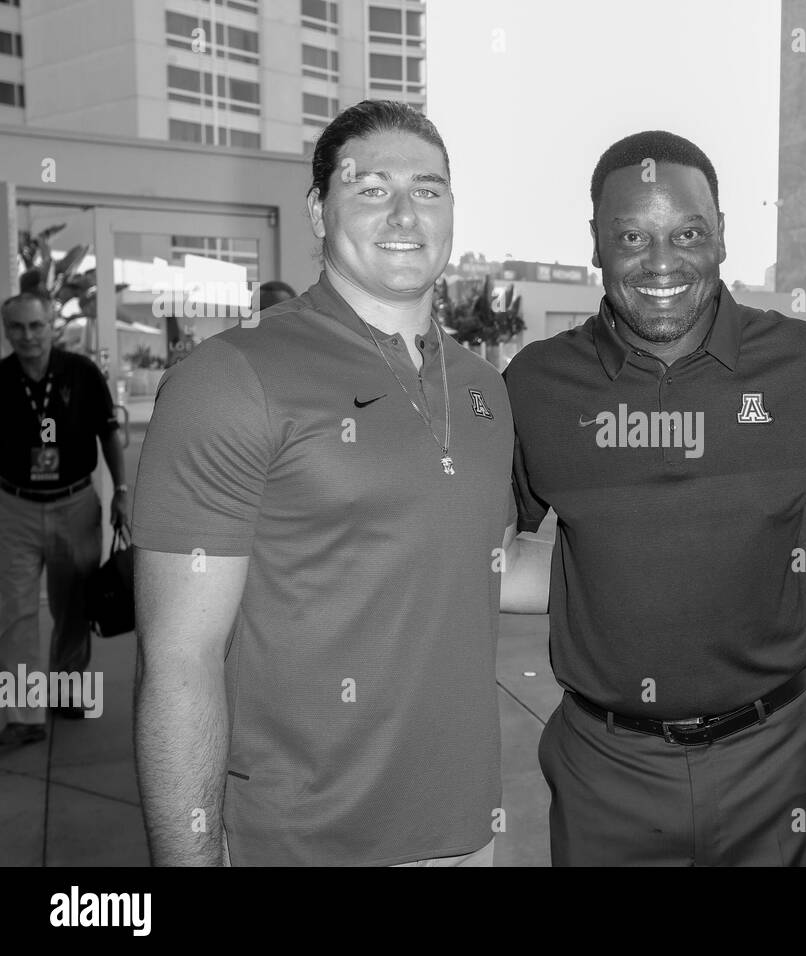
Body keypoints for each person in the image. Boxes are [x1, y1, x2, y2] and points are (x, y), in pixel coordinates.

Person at [132, 100, 525, 865]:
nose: (405, 212)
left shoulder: (486, 388)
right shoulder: (229, 379)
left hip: (470, 834)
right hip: (302, 841)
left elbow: (493, 561)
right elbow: (180, 660)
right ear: (319, 209)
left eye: (429, 188)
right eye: (372, 187)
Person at [504, 130, 806, 866]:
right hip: (607, 770)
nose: (662, 262)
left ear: (722, 237)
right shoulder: (535, 385)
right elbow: (481, 553)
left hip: (781, 759)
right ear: (595, 244)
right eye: (631, 236)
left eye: (688, 232)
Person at [0, 291, 128, 750]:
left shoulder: (81, 373)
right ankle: (23, 714)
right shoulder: (1, 379)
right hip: (14, 507)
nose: (28, 336)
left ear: (51, 325)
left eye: (36, 326)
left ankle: (66, 690)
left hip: (75, 504)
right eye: (17, 327)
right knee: (14, 613)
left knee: (72, 605)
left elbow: (109, 434)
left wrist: (122, 492)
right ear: (6, 330)